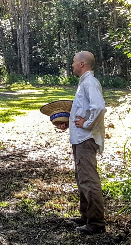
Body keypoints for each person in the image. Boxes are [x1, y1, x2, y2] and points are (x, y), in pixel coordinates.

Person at [41, 51, 107, 235]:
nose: (72, 65)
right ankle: (85, 216)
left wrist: (86, 124)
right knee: (82, 178)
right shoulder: (84, 83)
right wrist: (67, 121)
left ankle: (96, 224)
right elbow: (83, 110)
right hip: (80, 138)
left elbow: (99, 107)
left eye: (74, 62)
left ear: (82, 64)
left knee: (88, 180)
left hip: (86, 139)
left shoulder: (90, 83)